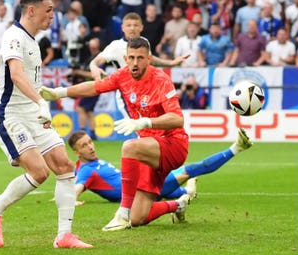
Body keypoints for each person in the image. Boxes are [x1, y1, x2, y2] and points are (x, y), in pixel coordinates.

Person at [0, 0, 92, 249]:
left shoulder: (28, 39)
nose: (53, 16)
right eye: (49, 10)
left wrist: (35, 96)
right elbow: (17, 75)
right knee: (39, 171)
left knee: (64, 166)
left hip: (33, 114)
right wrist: (35, 100)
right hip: (13, 116)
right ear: (32, 10)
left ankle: (64, 235)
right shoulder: (15, 36)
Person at [41, 37, 190, 231]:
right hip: (149, 150)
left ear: (149, 59)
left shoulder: (161, 80)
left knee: (130, 147)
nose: (135, 63)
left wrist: (144, 121)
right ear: (125, 58)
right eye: (131, 58)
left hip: (173, 144)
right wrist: (59, 93)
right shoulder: (123, 75)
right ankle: (178, 204)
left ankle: (122, 212)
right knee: (138, 219)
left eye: (140, 58)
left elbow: (177, 119)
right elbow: (95, 87)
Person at [67, 128, 252, 222]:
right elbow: (78, 186)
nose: (90, 147)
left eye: (90, 142)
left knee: (183, 185)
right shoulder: (86, 171)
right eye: (84, 146)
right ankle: (237, 148)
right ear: (77, 153)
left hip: (145, 182)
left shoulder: (94, 163)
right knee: (191, 170)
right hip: (142, 189)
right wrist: (72, 199)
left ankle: (185, 195)